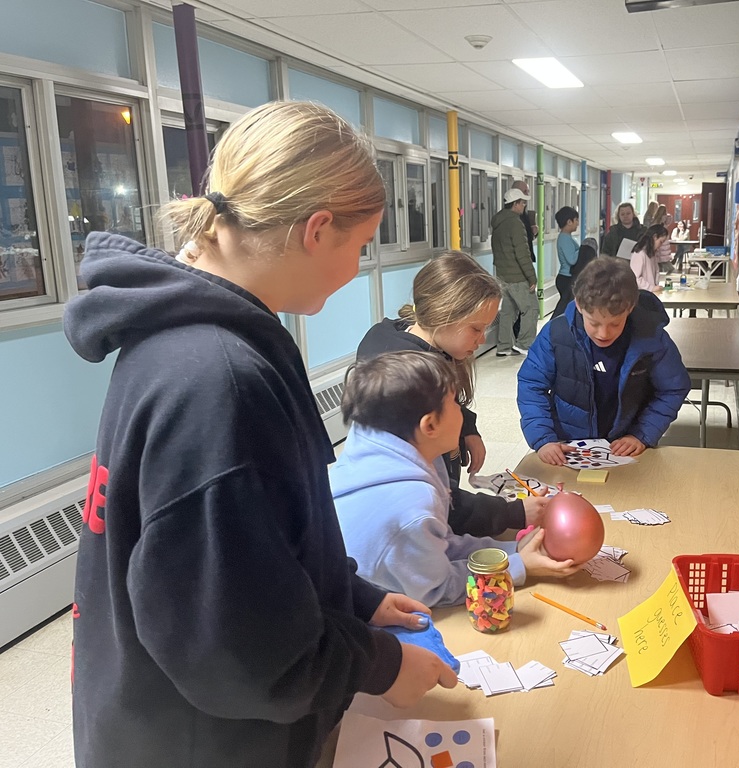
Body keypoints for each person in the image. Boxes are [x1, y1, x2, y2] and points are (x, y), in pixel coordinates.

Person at [62, 101, 457, 768]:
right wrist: (381, 666)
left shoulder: (186, 341)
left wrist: (352, 598)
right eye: (360, 246)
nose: (358, 266)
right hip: (197, 740)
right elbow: (239, 647)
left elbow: (245, 545)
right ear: (318, 229)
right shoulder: (218, 380)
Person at [332, 351, 580, 607]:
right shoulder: (412, 505)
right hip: (374, 616)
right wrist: (519, 567)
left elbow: (441, 543)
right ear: (430, 426)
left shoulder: (389, 449)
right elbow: (438, 589)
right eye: (454, 403)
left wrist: (510, 551)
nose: (462, 412)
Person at [356, 251, 547, 536]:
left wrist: (467, 426)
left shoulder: (414, 345)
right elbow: (438, 502)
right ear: (446, 314)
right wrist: (512, 512)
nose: (483, 340)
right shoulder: (411, 382)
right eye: (476, 329)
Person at [517, 257, 690, 466]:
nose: (603, 333)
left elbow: (673, 388)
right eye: (594, 323)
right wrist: (544, 439)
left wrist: (642, 434)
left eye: (615, 324)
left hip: (624, 447)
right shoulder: (556, 334)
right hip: (567, 447)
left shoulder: (651, 337)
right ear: (580, 305)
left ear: (631, 307)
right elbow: (531, 385)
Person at [492, 187, 538, 357]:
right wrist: (532, 277)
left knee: (508, 311)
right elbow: (522, 254)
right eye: (523, 202)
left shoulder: (498, 223)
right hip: (518, 276)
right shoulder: (515, 223)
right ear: (515, 204)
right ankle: (524, 344)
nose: (524, 206)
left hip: (503, 275)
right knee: (531, 309)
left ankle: (503, 346)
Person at [553, 205, 580, 318]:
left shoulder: (567, 237)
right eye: (576, 220)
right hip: (566, 278)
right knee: (563, 309)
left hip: (566, 277)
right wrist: (584, 249)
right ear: (569, 221)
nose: (577, 223)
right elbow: (572, 260)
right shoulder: (564, 238)